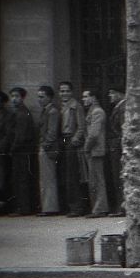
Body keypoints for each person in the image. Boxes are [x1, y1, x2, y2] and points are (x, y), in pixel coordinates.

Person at [58, 81, 88, 217]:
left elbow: (81, 127)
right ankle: (69, 206)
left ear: (71, 92)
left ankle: (77, 207)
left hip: (71, 140)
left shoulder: (76, 106)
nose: (64, 93)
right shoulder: (61, 107)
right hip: (63, 140)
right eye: (62, 91)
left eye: (67, 91)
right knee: (65, 175)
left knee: (73, 176)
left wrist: (75, 140)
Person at [8, 87, 37, 216]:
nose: (14, 99)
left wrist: (12, 149)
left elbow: (20, 136)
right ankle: (24, 207)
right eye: (12, 96)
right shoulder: (20, 112)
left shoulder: (22, 114)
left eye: (17, 96)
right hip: (22, 150)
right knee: (21, 179)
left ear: (22, 98)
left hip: (21, 151)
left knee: (21, 179)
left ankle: (23, 208)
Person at [82, 90, 109, 217]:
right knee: (94, 179)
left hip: (95, 150)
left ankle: (100, 208)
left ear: (93, 98)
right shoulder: (93, 111)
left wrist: (86, 147)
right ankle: (97, 208)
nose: (83, 99)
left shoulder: (97, 112)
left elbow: (94, 134)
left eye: (86, 96)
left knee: (97, 180)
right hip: (93, 150)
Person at [37, 85, 61, 216]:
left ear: (49, 97)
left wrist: (44, 145)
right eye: (39, 97)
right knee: (45, 178)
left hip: (48, 149)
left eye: (42, 97)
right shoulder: (46, 110)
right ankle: (47, 206)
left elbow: (52, 132)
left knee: (48, 178)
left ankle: (50, 208)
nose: (39, 99)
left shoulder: (52, 111)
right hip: (45, 147)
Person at [106, 85, 126, 216]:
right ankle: (120, 206)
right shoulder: (119, 107)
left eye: (112, 93)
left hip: (118, 147)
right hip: (116, 146)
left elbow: (123, 129)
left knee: (119, 176)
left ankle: (122, 207)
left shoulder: (123, 108)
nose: (110, 96)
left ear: (119, 93)